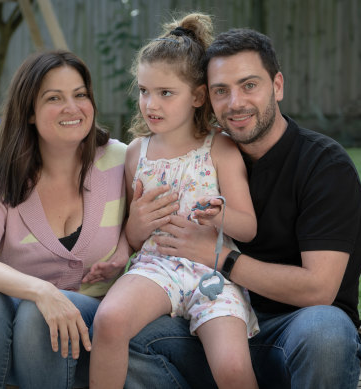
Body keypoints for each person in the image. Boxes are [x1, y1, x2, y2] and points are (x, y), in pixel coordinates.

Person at [124, 28, 361, 389]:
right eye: (222, 90)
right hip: (207, 328)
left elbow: (319, 289)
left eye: (249, 85)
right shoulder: (196, 158)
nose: (235, 102)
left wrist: (220, 258)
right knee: (121, 336)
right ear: (206, 98)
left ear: (277, 86)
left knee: (326, 332)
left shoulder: (324, 166)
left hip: (294, 334)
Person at [89, 14, 259, 389]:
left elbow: (248, 227)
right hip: (155, 268)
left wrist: (220, 218)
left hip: (213, 275)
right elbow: (128, 232)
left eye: (166, 93)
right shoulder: (136, 154)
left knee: (232, 367)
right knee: (109, 321)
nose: (151, 103)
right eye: (144, 90)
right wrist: (122, 248)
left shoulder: (221, 148)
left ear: (197, 96)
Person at [0, 50, 131, 388]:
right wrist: (41, 291)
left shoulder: (121, 160)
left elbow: (149, 227)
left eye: (80, 95)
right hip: (10, 335)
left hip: (92, 328)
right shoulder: (2, 180)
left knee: (37, 315)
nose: (72, 107)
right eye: (54, 98)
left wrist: (125, 245)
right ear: (30, 113)